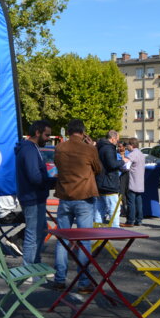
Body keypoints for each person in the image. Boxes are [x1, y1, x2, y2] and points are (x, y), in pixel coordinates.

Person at [52, 119, 102, 293]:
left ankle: (59, 279)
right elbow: (98, 169)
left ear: (69, 131)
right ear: (82, 132)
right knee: (84, 241)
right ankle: (82, 282)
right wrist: (91, 146)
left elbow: (58, 166)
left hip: (65, 197)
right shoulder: (89, 149)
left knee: (62, 240)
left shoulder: (59, 148)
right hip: (84, 197)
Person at [15, 120, 55, 266]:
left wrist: (49, 181)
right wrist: (52, 181)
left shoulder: (30, 148)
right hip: (32, 197)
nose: (48, 138)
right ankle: (28, 269)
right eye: (47, 135)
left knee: (41, 231)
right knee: (33, 234)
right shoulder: (29, 150)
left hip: (34, 196)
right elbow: (34, 177)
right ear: (37, 133)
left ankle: (35, 264)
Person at [95, 130, 125, 227]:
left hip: (100, 181)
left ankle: (97, 227)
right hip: (109, 183)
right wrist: (123, 161)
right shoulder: (109, 148)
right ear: (113, 138)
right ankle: (115, 230)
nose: (118, 142)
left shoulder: (100, 147)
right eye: (117, 139)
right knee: (114, 208)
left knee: (100, 208)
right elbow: (112, 164)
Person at [124, 138, 146, 227]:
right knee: (139, 201)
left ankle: (130, 220)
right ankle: (139, 219)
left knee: (131, 202)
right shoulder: (141, 154)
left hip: (132, 180)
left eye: (127, 145)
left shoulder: (132, 154)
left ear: (131, 145)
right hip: (140, 181)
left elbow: (126, 165)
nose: (127, 147)